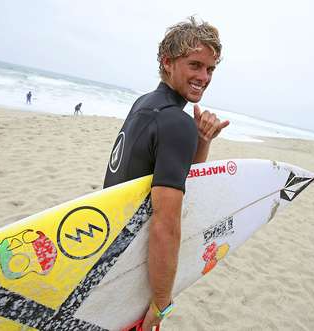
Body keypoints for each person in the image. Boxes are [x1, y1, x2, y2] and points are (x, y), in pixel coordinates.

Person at [103, 16, 229, 331]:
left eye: (210, 69)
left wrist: (202, 141)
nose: (204, 77)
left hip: (108, 253)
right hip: (132, 270)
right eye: (195, 65)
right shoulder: (175, 122)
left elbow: (182, 181)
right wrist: (161, 303)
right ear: (168, 62)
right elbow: (166, 223)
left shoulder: (144, 104)